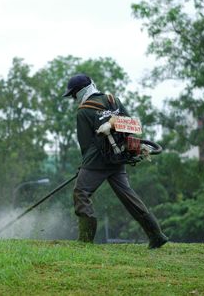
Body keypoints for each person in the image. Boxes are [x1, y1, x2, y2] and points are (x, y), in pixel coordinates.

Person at [61, 73, 168, 249]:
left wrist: (85, 166)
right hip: (118, 157)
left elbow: (86, 145)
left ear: (80, 92)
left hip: (96, 161)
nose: (73, 98)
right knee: (129, 197)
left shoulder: (84, 111)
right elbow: (131, 124)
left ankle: (85, 240)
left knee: (81, 192)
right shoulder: (113, 100)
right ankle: (156, 234)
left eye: (73, 94)